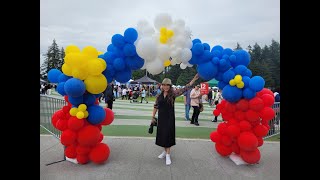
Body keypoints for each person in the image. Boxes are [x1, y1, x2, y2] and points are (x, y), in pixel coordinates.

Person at [151, 73, 199, 165]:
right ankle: (164, 152)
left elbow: (185, 88)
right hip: (161, 119)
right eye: (164, 85)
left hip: (169, 119)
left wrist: (194, 80)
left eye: (167, 85)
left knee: (168, 135)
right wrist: (152, 117)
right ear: (162, 86)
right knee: (162, 135)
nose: (165, 87)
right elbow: (155, 106)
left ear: (170, 86)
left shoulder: (173, 94)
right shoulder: (159, 96)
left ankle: (168, 155)